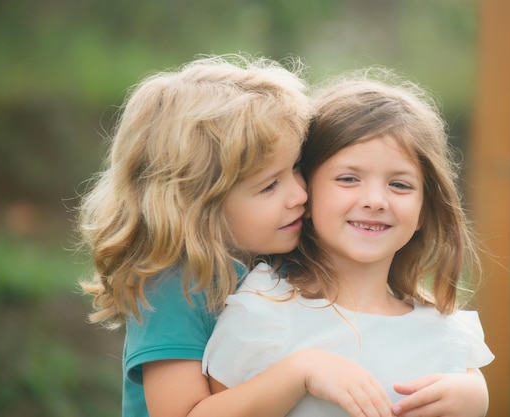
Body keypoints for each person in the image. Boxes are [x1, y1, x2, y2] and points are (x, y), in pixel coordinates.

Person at [78, 54, 401, 417]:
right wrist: (301, 372)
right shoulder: (174, 289)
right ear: (198, 204)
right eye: (268, 186)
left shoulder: (275, 252)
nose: (299, 195)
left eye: (296, 168)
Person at [203, 71, 495, 417]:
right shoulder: (264, 309)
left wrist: (477, 398)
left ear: (423, 213)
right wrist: (301, 373)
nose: (375, 200)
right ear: (305, 194)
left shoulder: (446, 332)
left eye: (400, 185)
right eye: (348, 179)